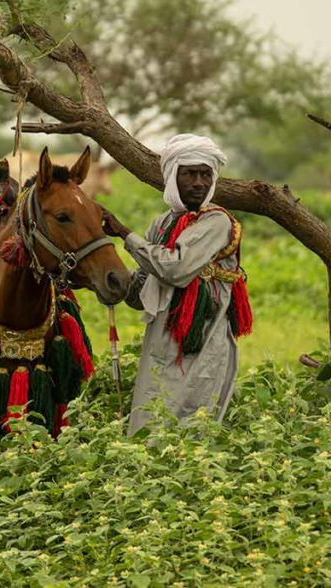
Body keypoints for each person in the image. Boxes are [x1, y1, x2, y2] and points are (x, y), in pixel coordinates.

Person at [102, 134, 253, 436]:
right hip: (161, 341)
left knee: (192, 428)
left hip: (203, 342)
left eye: (205, 174)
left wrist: (124, 234)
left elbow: (175, 268)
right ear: (173, 177)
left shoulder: (217, 222)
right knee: (150, 423)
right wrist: (109, 281)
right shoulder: (162, 223)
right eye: (189, 173)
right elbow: (141, 292)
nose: (198, 182)